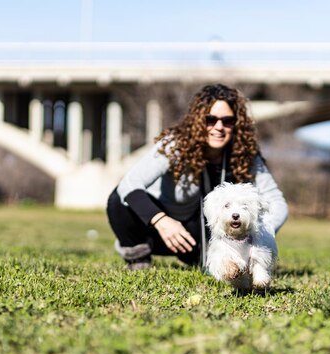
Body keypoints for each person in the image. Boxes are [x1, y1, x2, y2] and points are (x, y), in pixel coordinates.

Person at [106, 84, 288, 270]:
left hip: (194, 233)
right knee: (117, 201)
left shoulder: (246, 154)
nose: (219, 127)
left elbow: (277, 202)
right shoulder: (175, 144)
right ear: (198, 120)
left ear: (236, 124)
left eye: (227, 121)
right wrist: (160, 220)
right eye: (210, 120)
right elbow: (129, 184)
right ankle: (137, 257)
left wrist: (262, 232)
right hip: (156, 226)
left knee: (214, 264)